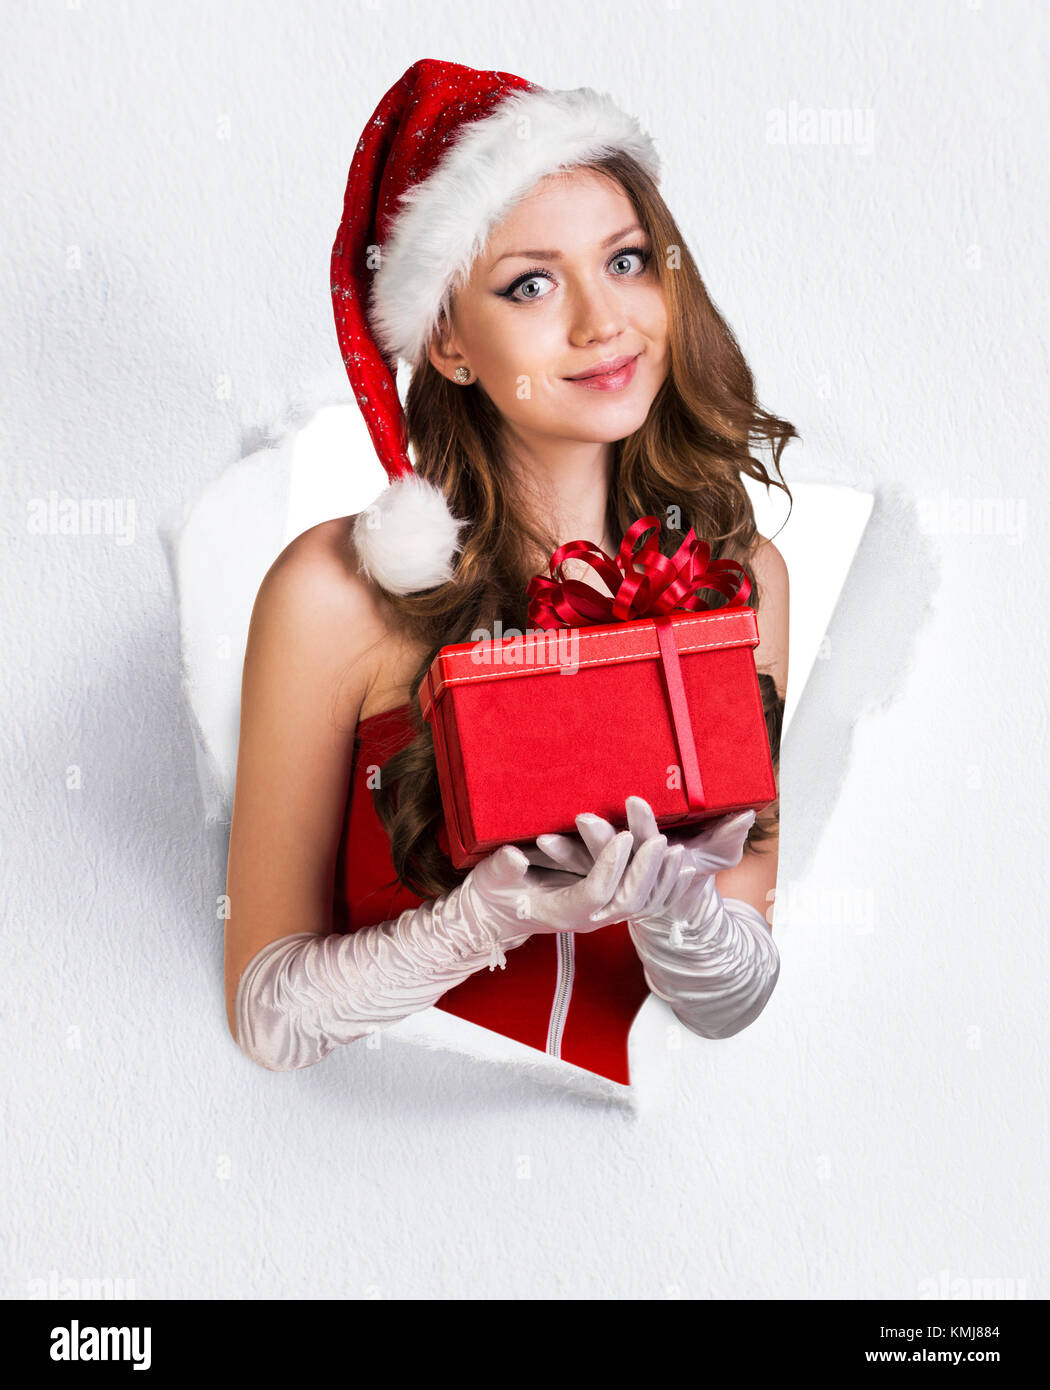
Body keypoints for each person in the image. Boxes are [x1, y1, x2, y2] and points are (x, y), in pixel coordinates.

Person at [224, 59, 793, 1084]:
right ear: (446, 339)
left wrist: (681, 911)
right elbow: (268, 1017)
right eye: (531, 283)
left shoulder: (742, 576)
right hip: (377, 1191)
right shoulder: (333, 592)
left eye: (626, 262)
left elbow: (736, 998)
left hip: (634, 1205)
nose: (600, 321)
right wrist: (484, 918)